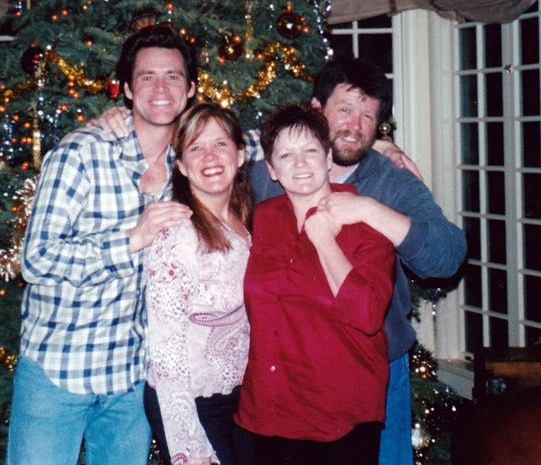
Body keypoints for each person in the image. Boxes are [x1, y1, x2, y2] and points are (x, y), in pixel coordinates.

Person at [248, 56, 467, 465]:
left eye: (369, 116)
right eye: (345, 109)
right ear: (317, 110)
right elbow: (215, 150)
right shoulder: (272, 173)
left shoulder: (390, 181)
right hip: (292, 373)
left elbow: (447, 256)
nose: (355, 125)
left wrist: (369, 211)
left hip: (375, 365)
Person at [7, 25, 196, 465]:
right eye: (147, 77)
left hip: (130, 377)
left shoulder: (191, 160)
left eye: (173, 76)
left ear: (190, 90)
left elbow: (271, 150)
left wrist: (375, 148)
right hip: (59, 370)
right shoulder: (81, 154)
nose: (161, 88)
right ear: (127, 89)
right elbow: (35, 260)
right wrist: (131, 240)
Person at [235, 104, 396, 465]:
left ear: (327, 158)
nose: (301, 163)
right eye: (286, 155)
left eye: (310, 151)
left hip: (338, 418)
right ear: (272, 169)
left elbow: (367, 314)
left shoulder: (366, 220)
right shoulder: (264, 217)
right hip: (267, 412)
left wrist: (324, 240)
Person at [144, 102, 253, 465]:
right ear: (181, 165)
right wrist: (188, 448)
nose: (210, 156)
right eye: (195, 147)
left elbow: (294, 148)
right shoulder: (176, 235)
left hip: (242, 398)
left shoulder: (248, 219)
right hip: (190, 402)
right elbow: (166, 354)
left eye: (220, 144)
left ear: (241, 154)